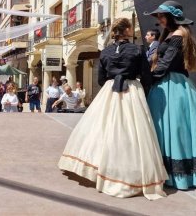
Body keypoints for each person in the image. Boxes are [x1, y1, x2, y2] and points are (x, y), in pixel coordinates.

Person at [57, 18, 167, 200]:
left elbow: (101, 79)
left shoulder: (106, 51)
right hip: (131, 90)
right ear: (127, 30)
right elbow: (146, 77)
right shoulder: (138, 49)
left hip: (109, 90)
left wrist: (112, 80)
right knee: (131, 133)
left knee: (102, 130)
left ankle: (98, 167)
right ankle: (128, 174)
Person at [145, 0, 196, 190]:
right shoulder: (174, 34)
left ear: (172, 16)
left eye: (162, 15)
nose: (159, 19)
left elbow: (166, 63)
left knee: (175, 128)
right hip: (168, 85)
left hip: (172, 85)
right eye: (158, 16)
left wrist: (146, 79)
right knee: (169, 128)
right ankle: (171, 174)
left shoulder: (178, 36)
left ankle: (179, 176)